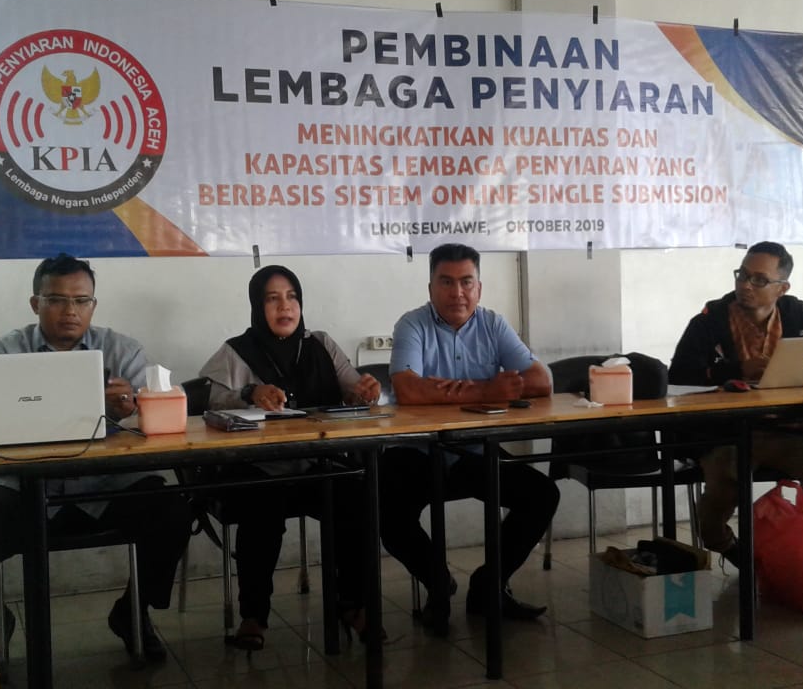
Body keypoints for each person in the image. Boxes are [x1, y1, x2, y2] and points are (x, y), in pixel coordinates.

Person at [0, 253, 192, 663]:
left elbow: (157, 420)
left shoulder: (122, 350)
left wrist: (134, 409)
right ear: (35, 304)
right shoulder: (2, 354)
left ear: (93, 304)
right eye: (56, 299)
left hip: (103, 484)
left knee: (173, 510)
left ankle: (132, 611)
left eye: (81, 300)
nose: (70, 310)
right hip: (23, 488)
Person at [199, 265, 382, 650]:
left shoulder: (320, 343)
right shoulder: (236, 351)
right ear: (257, 306)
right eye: (273, 299)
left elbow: (352, 387)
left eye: (292, 297)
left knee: (355, 498)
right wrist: (249, 394)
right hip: (260, 468)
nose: (285, 306)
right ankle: (253, 615)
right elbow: (209, 403)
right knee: (261, 508)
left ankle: (352, 604)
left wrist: (363, 392)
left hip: (318, 464)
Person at [382, 243, 558, 635]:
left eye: (466, 282)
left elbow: (541, 382)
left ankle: (487, 585)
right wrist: (488, 390)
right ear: (431, 287)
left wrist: (448, 390)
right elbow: (408, 390)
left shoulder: (493, 324)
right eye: (446, 282)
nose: (457, 293)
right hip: (418, 450)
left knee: (541, 495)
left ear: (479, 287)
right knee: (385, 509)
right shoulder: (412, 324)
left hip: (474, 451)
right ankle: (437, 581)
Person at [667, 241, 803, 567]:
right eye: (742, 275)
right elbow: (679, 375)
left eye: (759, 280)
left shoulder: (799, 314)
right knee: (722, 491)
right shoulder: (710, 320)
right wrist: (737, 370)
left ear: (782, 288)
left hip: (792, 431)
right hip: (727, 434)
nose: (745, 285)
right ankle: (731, 549)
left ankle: (790, 554)